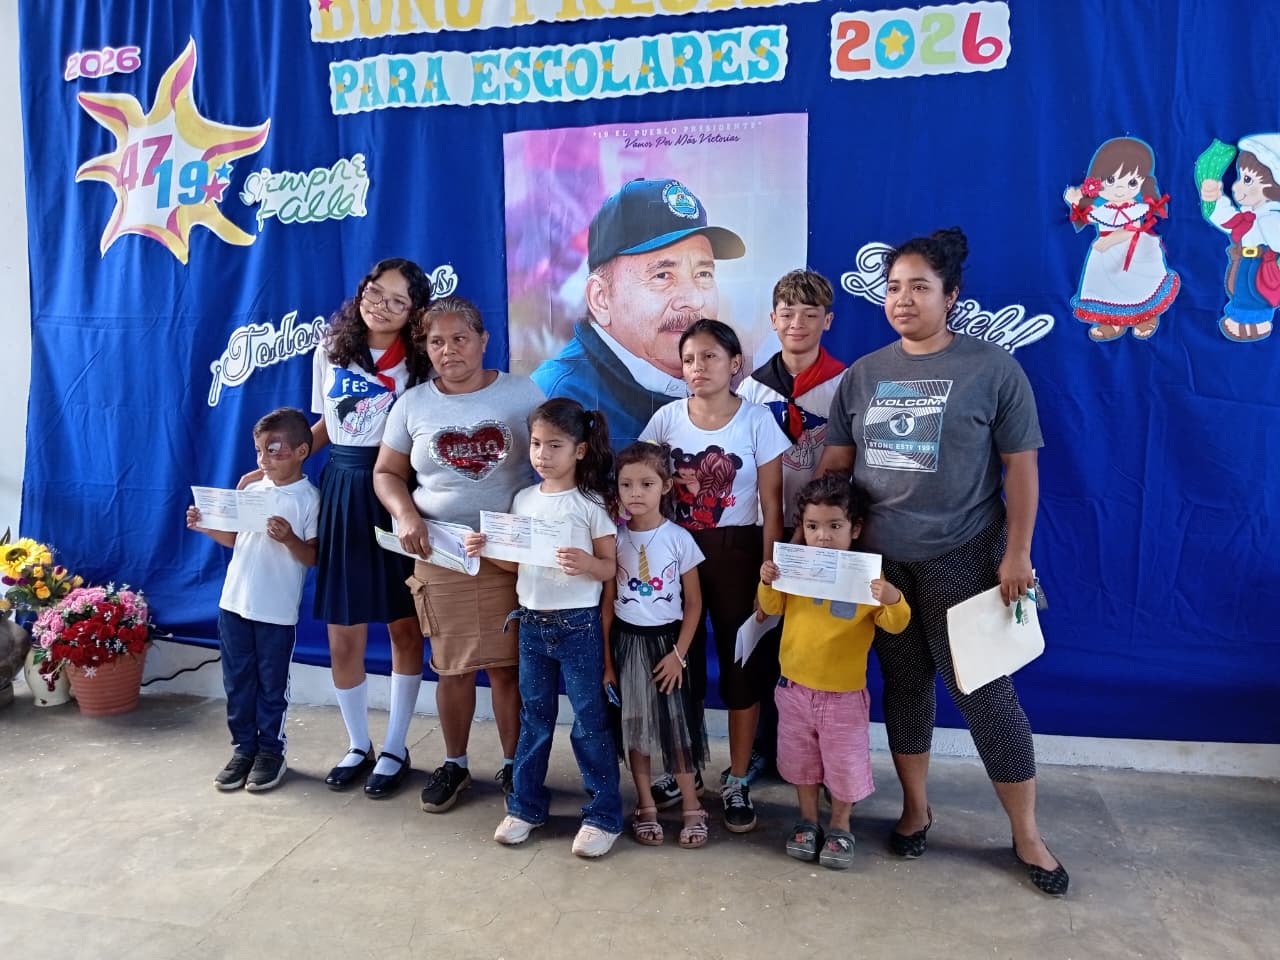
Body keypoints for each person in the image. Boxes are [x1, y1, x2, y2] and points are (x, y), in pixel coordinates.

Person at [815, 227, 1069, 896]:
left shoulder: (993, 370)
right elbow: (836, 470)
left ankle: (1026, 834)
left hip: (965, 556)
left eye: (919, 287)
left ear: (950, 296)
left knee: (985, 694)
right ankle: (916, 808)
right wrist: (818, 550)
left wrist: (1017, 553)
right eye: (894, 287)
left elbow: (1021, 471)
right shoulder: (864, 376)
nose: (903, 299)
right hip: (884, 565)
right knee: (904, 686)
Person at [375, 296, 545, 812]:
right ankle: (456, 764)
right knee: (451, 667)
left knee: (507, 668)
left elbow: (553, 459)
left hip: (507, 554)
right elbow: (386, 473)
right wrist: (405, 515)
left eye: (459, 339)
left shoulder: (523, 394)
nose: (449, 350)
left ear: (483, 340)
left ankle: (517, 764)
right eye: (436, 342)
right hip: (441, 553)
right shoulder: (413, 404)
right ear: (425, 349)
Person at [639, 319, 790, 834]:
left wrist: (769, 572)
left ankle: (739, 776)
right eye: (688, 359)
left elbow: (773, 503)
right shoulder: (663, 421)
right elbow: (641, 489)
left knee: (741, 664)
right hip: (675, 553)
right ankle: (686, 770)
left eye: (709, 357)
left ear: (734, 365)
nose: (697, 368)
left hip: (739, 553)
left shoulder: (757, 421)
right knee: (678, 662)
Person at [468, 399, 624, 858]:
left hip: (579, 626)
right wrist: (482, 549)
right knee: (534, 718)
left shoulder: (591, 503)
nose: (542, 454)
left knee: (589, 721)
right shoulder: (523, 499)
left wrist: (588, 563)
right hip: (531, 622)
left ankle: (603, 815)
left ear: (578, 450)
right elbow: (513, 563)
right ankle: (525, 806)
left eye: (554, 445)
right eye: (536, 444)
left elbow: (610, 567)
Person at [311, 258, 434, 800]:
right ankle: (358, 743)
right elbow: (326, 422)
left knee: (404, 625)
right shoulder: (330, 349)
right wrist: (281, 463)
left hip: (397, 490)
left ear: (414, 313)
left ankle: (395, 746)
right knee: (344, 630)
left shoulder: (423, 362)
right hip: (342, 485)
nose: (378, 303)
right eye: (373, 291)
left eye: (395, 299)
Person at [757, 474, 910, 869]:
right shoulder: (795, 568)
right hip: (793, 689)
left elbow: (895, 624)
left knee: (843, 764)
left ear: (855, 529)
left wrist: (892, 598)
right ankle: (808, 821)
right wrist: (767, 580)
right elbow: (772, 608)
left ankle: (841, 825)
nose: (822, 536)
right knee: (800, 761)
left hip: (843, 696)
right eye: (812, 527)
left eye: (835, 526)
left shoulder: (868, 578)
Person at [735, 268, 847, 787]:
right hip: (767, 532)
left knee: (817, 645)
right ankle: (762, 748)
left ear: (828, 319)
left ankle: (823, 758)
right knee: (762, 640)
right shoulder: (753, 389)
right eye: (787, 312)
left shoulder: (847, 383)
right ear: (773, 319)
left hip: (826, 539)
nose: (797, 322)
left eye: (809, 313)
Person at [532, 177, 746, 444]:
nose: (693, 299)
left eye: (703, 273)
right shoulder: (556, 399)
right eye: (663, 275)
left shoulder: (723, 385)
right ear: (600, 299)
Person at [187, 408, 320, 794]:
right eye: (259, 451)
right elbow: (236, 538)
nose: (264, 460)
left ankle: (270, 753)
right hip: (234, 603)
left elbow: (312, 556)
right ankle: (243, 750)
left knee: (271, 685)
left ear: (300, 451)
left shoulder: (309, 498)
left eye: (274, 450)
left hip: (276, 610)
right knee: (238, 682)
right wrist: (206, 525)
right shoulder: (252, 489)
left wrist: (290, 539)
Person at [602, 441, 709, 848]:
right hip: (628, 646)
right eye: (626, 484)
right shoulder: (614, 540)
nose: (635, 493)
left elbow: (695, 605)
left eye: (646, 483)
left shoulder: (680, 540)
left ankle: (692, 807)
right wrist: (609, 663)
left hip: (669, 648)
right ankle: (645, 804)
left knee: (677, 731)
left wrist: (678, 655)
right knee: (636, 731)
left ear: (666, 487)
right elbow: (609, 606)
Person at [1063, 137, 1179, 341]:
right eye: (1111, 180)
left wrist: (1109, 240)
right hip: (1108, 256)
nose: (1120, 188)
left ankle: (1145, 317)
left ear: (1143, 182)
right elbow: (1088, 216)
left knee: (1140, 284)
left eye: (1132, 182)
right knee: (1108, 287)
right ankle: (1113, 322)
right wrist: (1075, 202)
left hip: (1135, 252)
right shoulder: (1103, 209)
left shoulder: (1137, 208)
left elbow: (1133, 229)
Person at [1200, 134, 1280, 342]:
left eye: (1247, 180)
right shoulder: (1248, 215)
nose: (1237, 186)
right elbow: (1228, 220)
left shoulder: (1270, 218)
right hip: (1245, 260)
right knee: (1241, 289)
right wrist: (1215, 198)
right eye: (1241, 177)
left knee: (1255, 294)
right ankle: (1243, 320)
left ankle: (1256, 322)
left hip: (1260, 263)